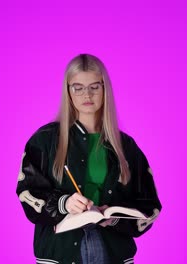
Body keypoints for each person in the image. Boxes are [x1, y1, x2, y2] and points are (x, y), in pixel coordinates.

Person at [17, 54, 162, 264]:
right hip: (61, 251)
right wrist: (63, 203)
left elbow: (149, 206)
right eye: (78, 87)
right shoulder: (44, 140)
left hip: (112, 250)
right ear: (68, 91)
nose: (87, 94)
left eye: (94, 86)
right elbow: (27, 192)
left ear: (105, 89)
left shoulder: (126, 146)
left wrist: (114, 219)